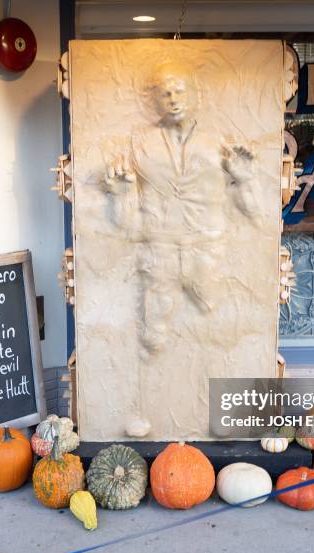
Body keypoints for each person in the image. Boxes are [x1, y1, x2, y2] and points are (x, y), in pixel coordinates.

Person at [104, 61, 262, 354]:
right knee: (153, 341)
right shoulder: (141, 145)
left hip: (207, 252)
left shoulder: (220, 143)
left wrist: (245, 179)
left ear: (196, 94)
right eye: (166, 93)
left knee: (217, 328)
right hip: (159, 254)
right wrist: (120, 195)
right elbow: (123, 225)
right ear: (156, 100)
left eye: (179, 91)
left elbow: (254, 213)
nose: (173, 99)